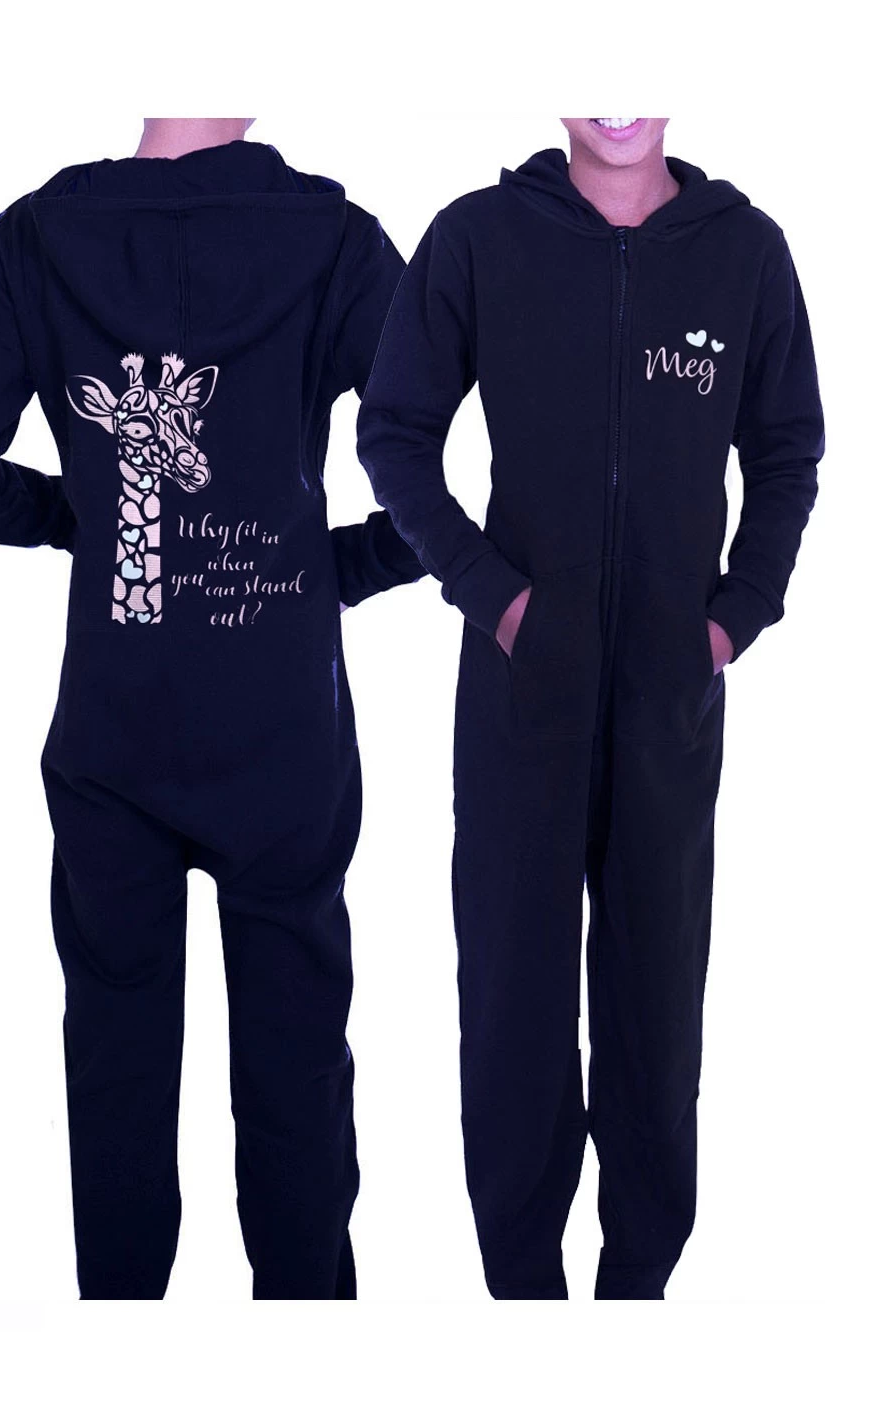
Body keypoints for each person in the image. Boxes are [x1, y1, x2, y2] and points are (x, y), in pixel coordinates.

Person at [0, 117, 425, 1300]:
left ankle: (118, 1345)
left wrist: (76, 524)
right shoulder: (333, 241)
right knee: (295, 1061)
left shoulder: (39, 241)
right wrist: (343, 564)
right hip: (281, 732)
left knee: (115, 1062)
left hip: (112, 732)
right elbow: (464, 455)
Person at [357, 117, 824, 1300]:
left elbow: (785, 451)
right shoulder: (478, 238)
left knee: (655, 1000)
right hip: (520, 690)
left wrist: (734, 615)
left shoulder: (744, 252)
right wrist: (494, 597)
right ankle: (523, 1292)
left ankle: (637, 1294)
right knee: (510, 999)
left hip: (670, 697)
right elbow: (395, 432)